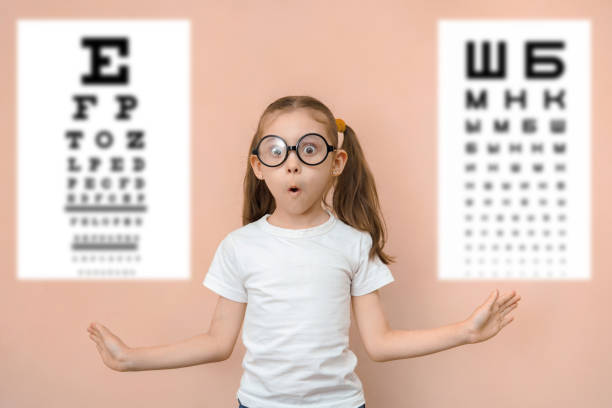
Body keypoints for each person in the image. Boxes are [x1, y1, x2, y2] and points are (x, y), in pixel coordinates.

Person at [87, 95, 521, 408]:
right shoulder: (240, 247)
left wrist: (465, 331)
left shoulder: (354, 244)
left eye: (308, 149)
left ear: (337, 162)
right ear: (259, 167)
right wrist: (131, 359)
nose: (292, 163)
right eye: (276, 151)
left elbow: (381, 343)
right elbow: (218, 342)